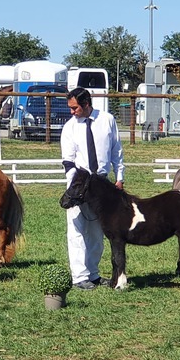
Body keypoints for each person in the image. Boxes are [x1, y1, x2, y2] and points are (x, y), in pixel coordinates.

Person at [61, 87, 123, 290]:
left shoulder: (107, 120)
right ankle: (79, 277)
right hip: (79, 184)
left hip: (103, 186)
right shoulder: (70, 128)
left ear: (86, 104)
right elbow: (68, 162)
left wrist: (119, 177)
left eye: (74, 107)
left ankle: (94, 274)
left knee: (97, 231)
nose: (72, 112)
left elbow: (116, 151)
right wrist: (76, 188)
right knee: (77, 230)